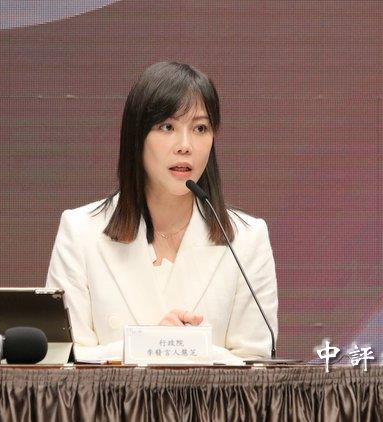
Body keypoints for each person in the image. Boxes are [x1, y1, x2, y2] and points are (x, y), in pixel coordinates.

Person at [45, 61, 277, 363]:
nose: (185, 146)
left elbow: (256, 365)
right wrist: (155, 343)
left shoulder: (247, 239)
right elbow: (64, 360)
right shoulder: (80, 232)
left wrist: (179, 346)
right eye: (167, 127)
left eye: (200, 128)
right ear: (137, 137)